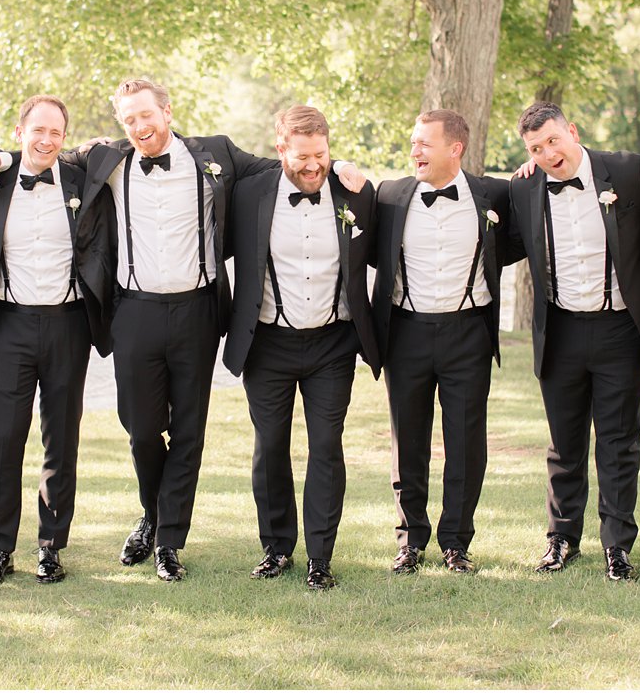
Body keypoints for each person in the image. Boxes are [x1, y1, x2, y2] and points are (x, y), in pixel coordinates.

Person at [66, 77, 365, 582]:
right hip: (134, 310)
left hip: (199, 312)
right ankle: (152, 512)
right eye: (129, 119)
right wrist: (1, 160)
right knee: (140, 430)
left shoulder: (217, 155)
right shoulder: (106, 161)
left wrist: (340, 167)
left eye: (147, 115)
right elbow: (43, 149)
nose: (140, 126)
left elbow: (286, 166)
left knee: (189, 431)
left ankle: (168, 542)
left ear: (167, 110)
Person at [503, 101, 640, 582]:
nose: (549, 153)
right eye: (536, 147)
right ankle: (562, 540)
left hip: (620, 328)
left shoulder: (628, 171)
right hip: (561, 330)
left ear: (571, 131)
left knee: (618, 441)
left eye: (553, 140)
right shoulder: (524, 186)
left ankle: (617, 545)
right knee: (563, 444)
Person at [223, 105, 378, 590]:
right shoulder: (248, 195)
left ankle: (320, 557)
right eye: (302, 156)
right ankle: (276, 549)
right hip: (268, 341)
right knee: (270, 446)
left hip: (333, 343)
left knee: (326, 448)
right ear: (280, 149)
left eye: (321, 155)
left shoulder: (355, 193)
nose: (312, 166)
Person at [370, 110, 511, 575]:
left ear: (456, 149)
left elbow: (529, 214)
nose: (415, 151)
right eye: (413, 142)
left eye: (424, 144)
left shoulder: (493, 195)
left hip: (467, 331)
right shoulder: (390, 195)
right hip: (406, 330)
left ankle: (456, 541)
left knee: (466, 441)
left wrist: (530, 168)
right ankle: (410, 540)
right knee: (407, 439)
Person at [0, 95, 93, 587]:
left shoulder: (83, 182)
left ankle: (51, 547)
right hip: (10, 324)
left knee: (60, 440)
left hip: (69, 324)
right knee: (5, 440)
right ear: (19, 133)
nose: (46, 140)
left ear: (65, 138)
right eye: (37, 130)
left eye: (56, 133)